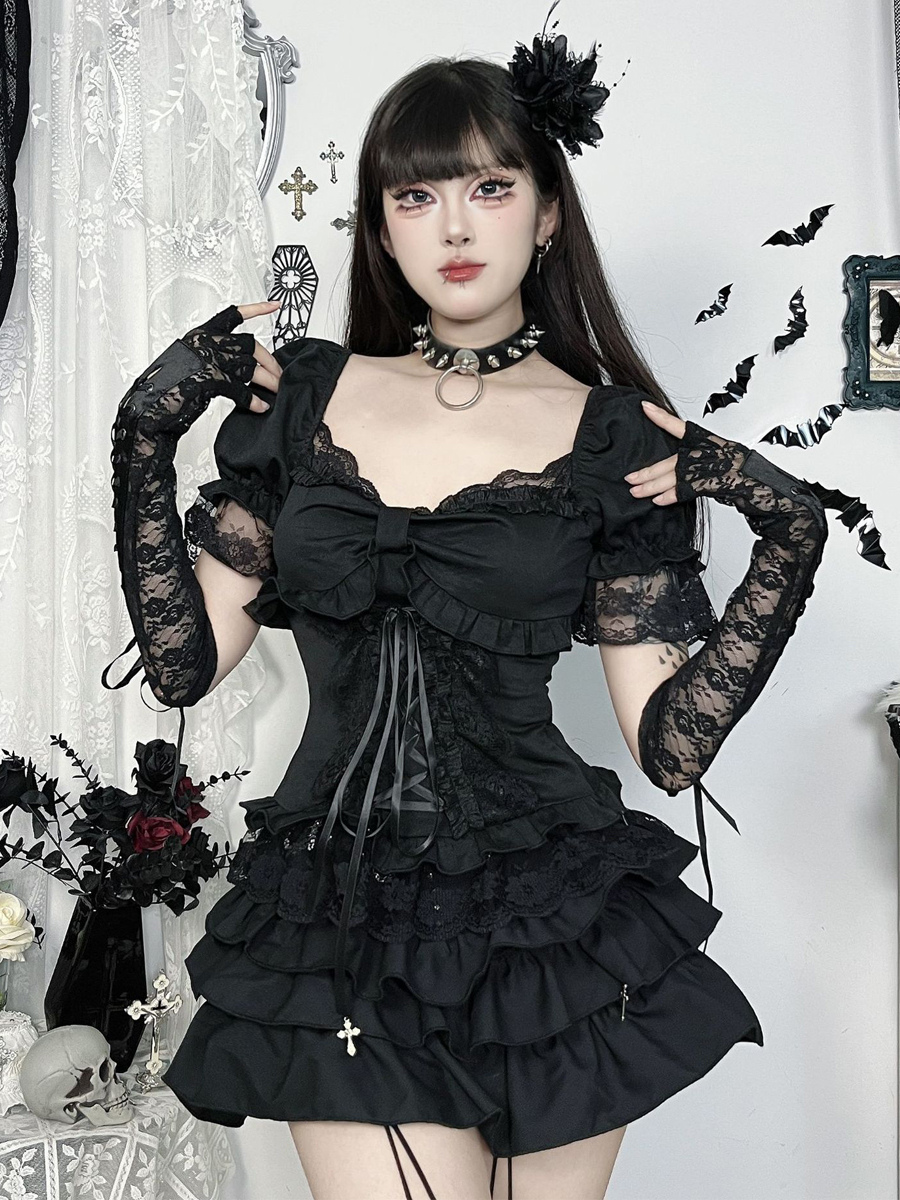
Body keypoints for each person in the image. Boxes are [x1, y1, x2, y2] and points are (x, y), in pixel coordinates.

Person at [101, 13, 828, 1200]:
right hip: (335, 911)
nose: (452, 227)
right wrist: (145, 434)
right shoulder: (303, 402)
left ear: (546, 214)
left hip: (548, 915)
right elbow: (186, 666)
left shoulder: (611, 437)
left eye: (489, 188)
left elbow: (668, 748)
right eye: (416, 196)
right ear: (381, 227)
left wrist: (787, 531)